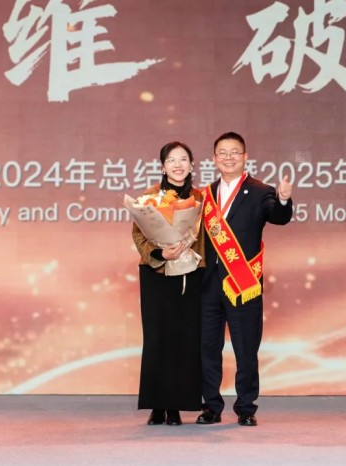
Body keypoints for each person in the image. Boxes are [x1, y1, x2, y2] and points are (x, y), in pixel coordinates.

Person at [196, 132, 293, 427]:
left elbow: (279, 216)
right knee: (207, 348)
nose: (228, 158)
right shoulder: (203, 196)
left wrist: (284, 199)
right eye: (222, 153)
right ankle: (211, 406)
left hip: (243, 283)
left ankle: (246, 407)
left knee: (246, 348)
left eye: (234, 152)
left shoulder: (260, 191)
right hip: (208, 284)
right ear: (214, 158)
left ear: (245, 156)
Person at [132, 141, 205, 426]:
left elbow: (206, 235)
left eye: (183, 159)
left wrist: (187, 249)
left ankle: (176, 405)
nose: (178, 165)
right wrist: (160, 254)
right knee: (157, 338)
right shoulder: (148, 197)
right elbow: (138, 235)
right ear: (163, 166)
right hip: (157, 273)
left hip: (190, 273)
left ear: (191, 164)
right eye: (172, 160)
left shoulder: (201, 198)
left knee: (184, 339)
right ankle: (157, 405)